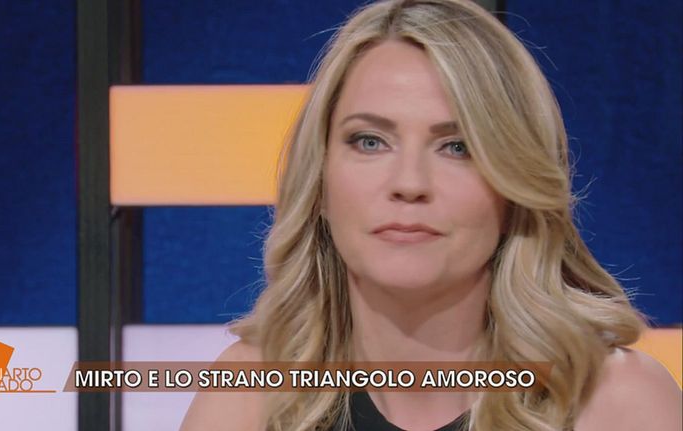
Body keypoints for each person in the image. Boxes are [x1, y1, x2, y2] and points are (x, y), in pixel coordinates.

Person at [181, 0, 682, 430]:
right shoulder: (251, 396)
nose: (409, 183)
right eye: (370, 141)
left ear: (515, 187)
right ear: (320, 181)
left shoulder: (614, 401)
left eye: (457, 147)